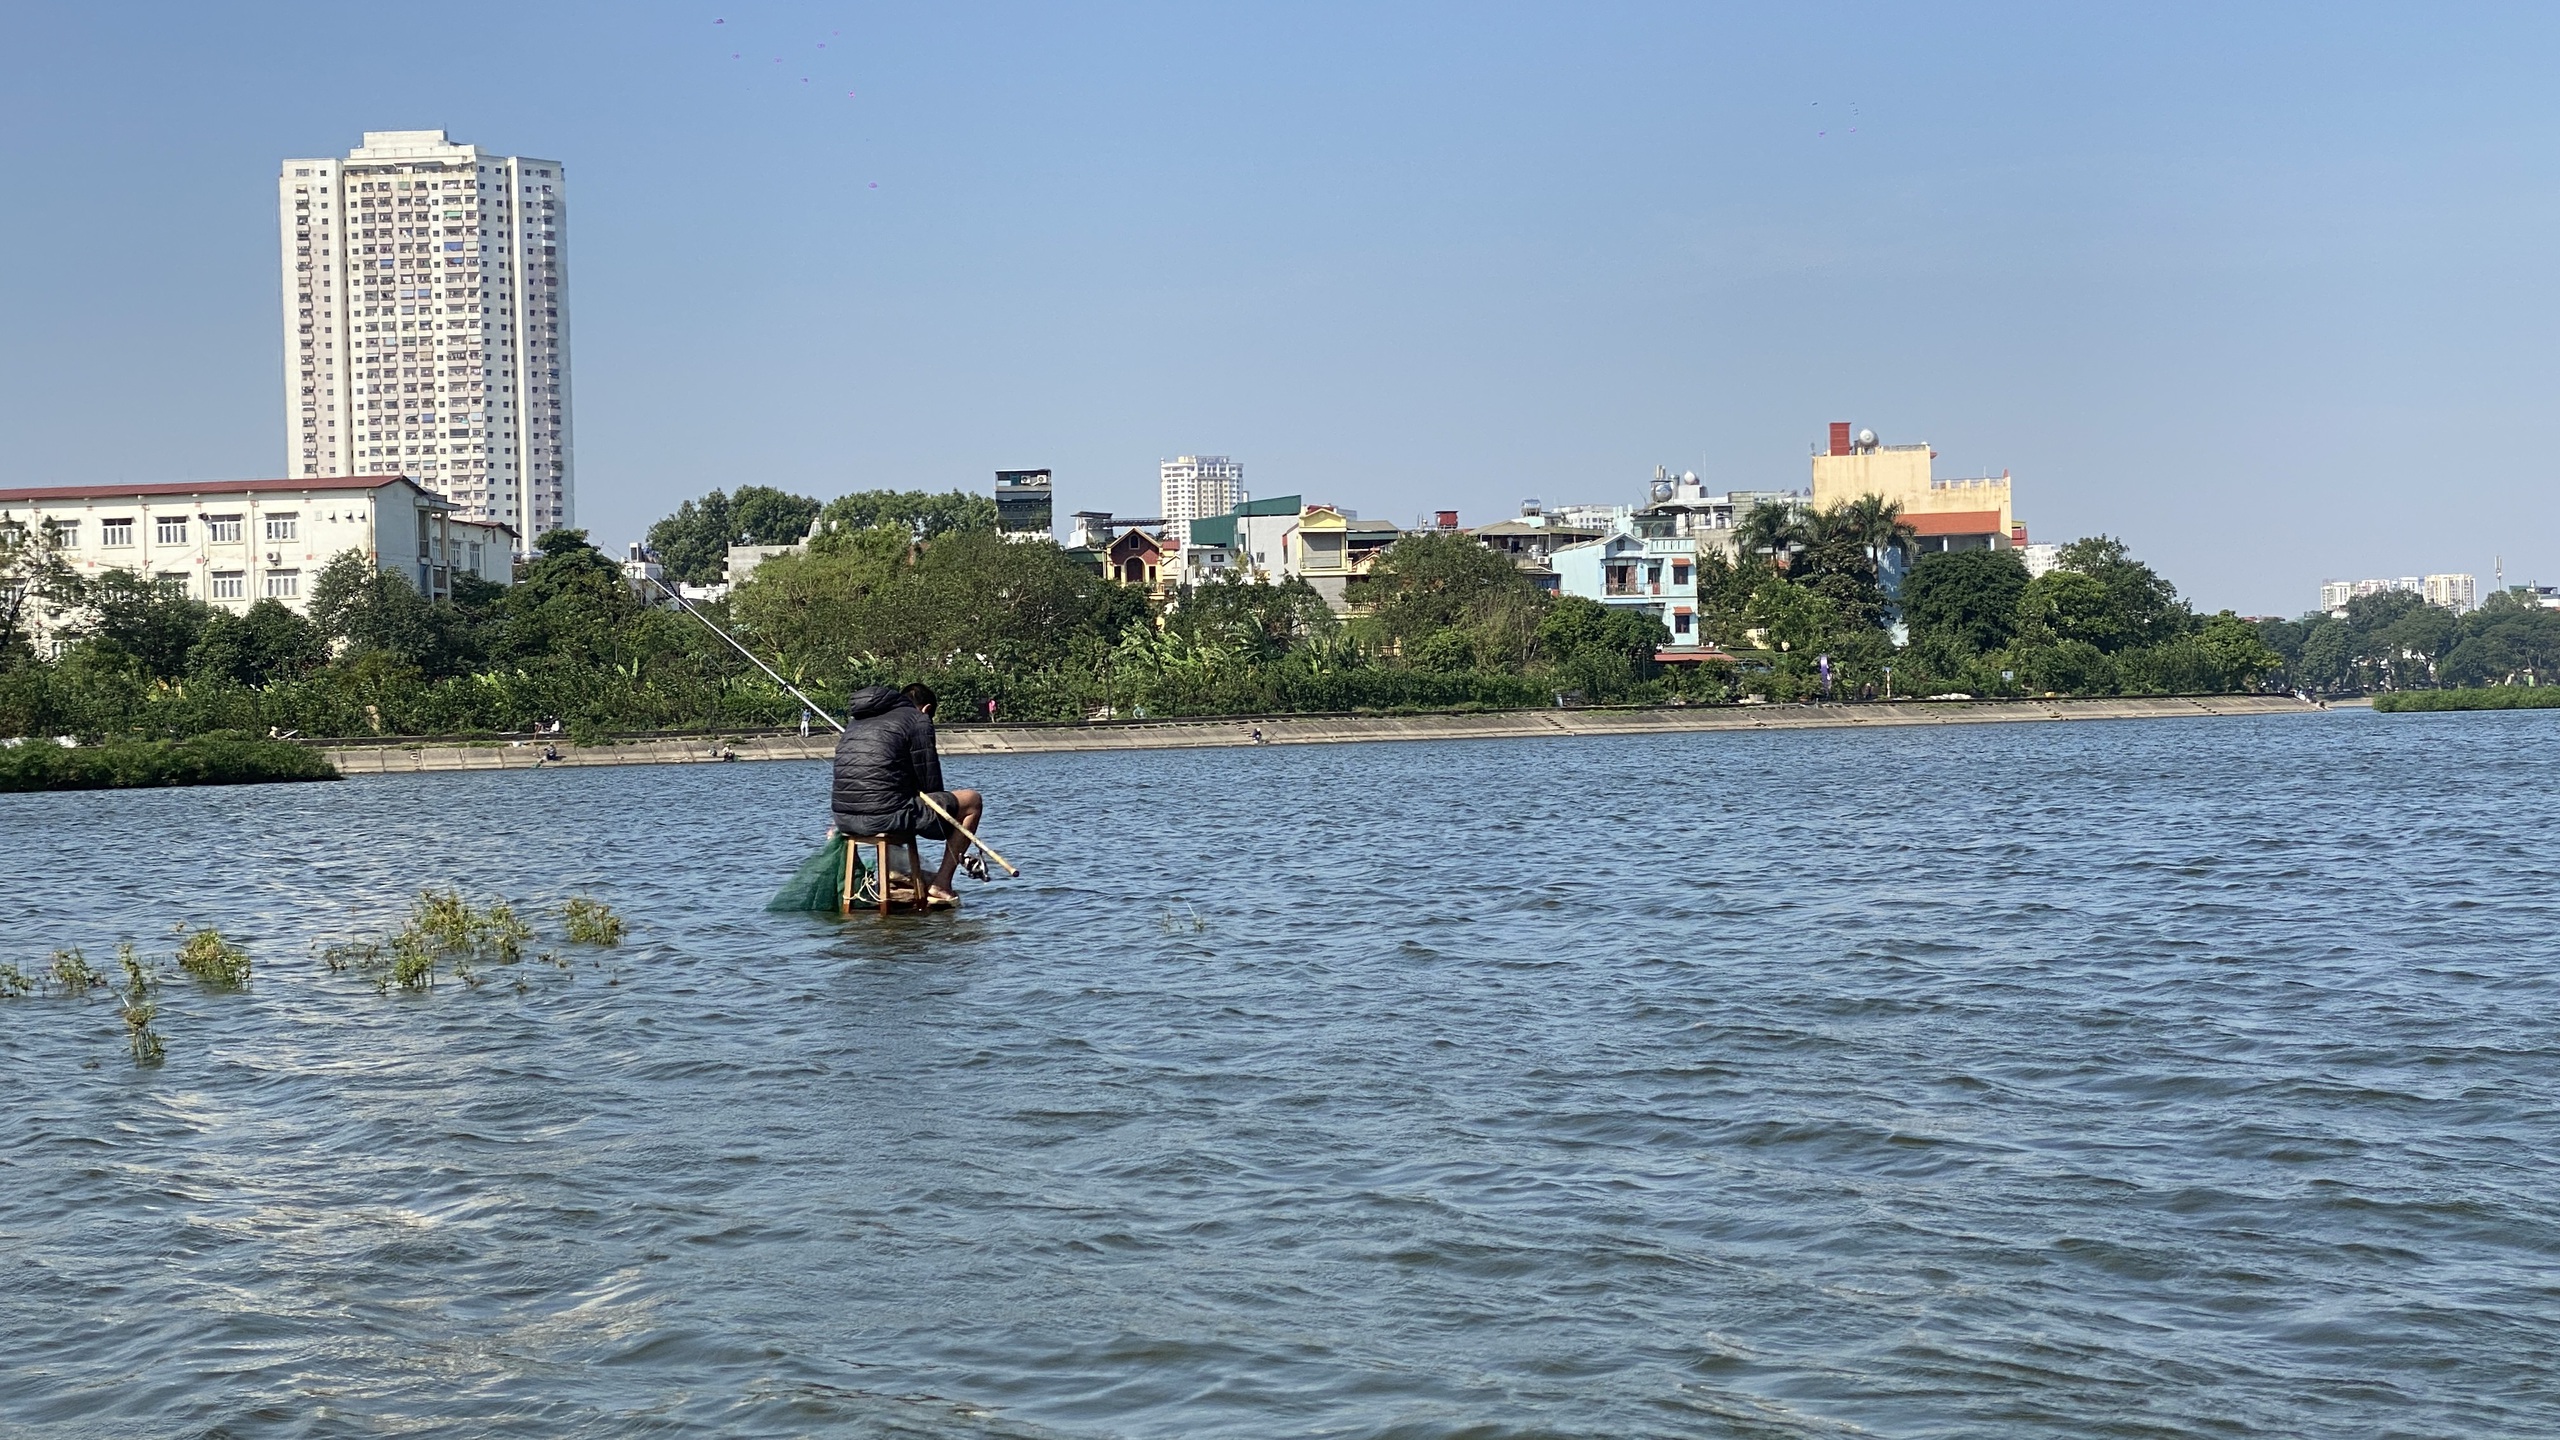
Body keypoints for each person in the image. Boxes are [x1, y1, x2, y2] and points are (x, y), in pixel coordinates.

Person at [831, 682, 987, 905]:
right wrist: (943, 827)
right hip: (886, 816)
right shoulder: (918, 720)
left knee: (895, 802)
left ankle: (893, 876)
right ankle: (941, 882)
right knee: (972, 801)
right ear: (926, 709)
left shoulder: (857, 721)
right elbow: (929, 783)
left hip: (844, 820)